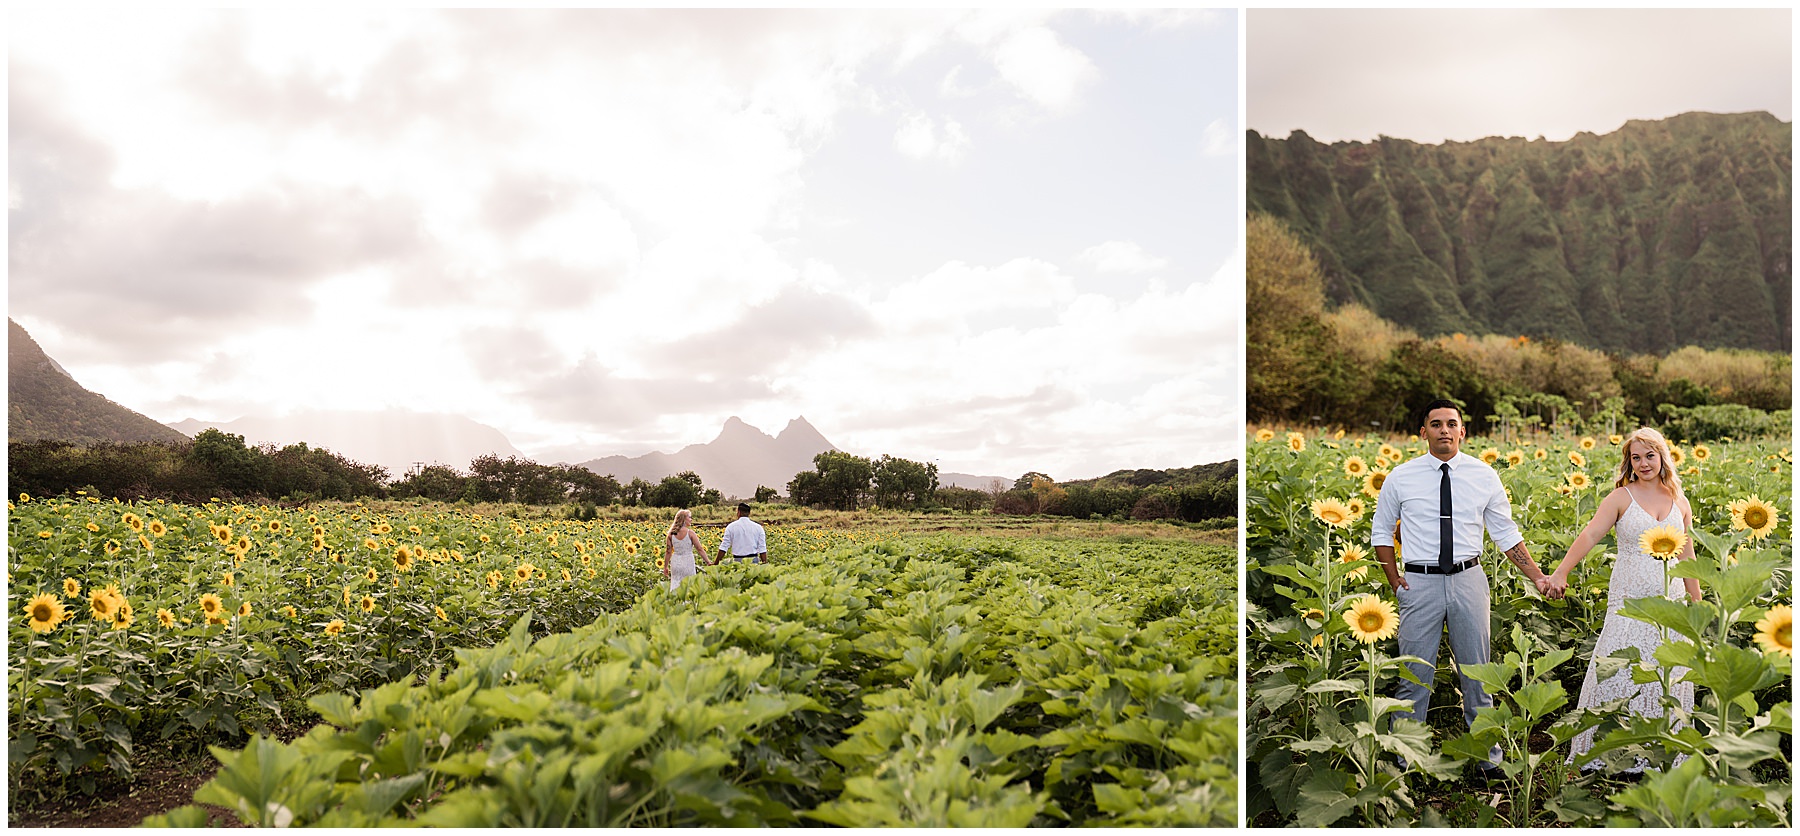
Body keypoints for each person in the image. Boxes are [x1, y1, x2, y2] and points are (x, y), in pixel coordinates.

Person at [1370, 398, 1547, 779]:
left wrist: (1537, 577)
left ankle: (1486, 759)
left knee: (1478, 672)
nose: (1444, 430)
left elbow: (1505, 534)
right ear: (1423, 433)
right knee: (1414, 675)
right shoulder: (1401, 477)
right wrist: (1394, 579)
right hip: (1419, 582)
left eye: (1452, 424)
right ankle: (1405, 758)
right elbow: (1381, 531)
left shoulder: (1484, 476)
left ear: (1463, 431)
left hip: (1469, 579)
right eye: (1436, 424)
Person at [1539, 427, 1701, 772]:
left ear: (1662, 457)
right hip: (1629, 600)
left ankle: (1660, 753)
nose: (1643, 463)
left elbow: (1687, 556)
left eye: (1649, 456)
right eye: (1636, 457)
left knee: (1665, 672)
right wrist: (1561, 572)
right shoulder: (1620, 498)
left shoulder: (1680, 503)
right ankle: (1607, 753)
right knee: (1618, 669)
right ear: (1628, 462)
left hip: (1670, 604)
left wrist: (1697, 604)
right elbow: (1591, 534)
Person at [663, 509, 705, 591]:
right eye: (689, 517)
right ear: (684, 519)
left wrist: (665, 567)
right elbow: (699, 549)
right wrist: (708, 562)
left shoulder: (671, 534)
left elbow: (668, 551)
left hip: (676, 562)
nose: (691, 519)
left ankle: (675, 602)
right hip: (688, 562)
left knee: (675, 583)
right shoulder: (690, 533)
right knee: (689, 585)